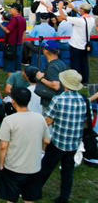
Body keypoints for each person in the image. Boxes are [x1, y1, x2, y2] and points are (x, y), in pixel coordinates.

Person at [37, 70, 89, 203]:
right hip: (73, 142)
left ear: (64, 83)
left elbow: (47, 121)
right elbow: (87, 121)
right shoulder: (84, 101)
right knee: (67, 171)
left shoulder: (58, 99)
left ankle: (35, 190)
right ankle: (64, 197)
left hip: (59, 141)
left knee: (46, 167)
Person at [0, 88, 50, 203]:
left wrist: (1, 164)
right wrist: (41, 153)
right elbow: (47, 141)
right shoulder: (40, 118)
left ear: (13, 102)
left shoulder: (9, 120)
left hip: (13, 167)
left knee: (11, 199)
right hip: (34, 167)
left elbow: (3, 146)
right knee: (29, 199)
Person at [34, 40, 67, 109]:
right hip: (60, 100)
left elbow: (56, 86)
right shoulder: (61, 63)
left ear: (46, 51)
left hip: (51, 103)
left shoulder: (52, 67)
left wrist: (41, 79)